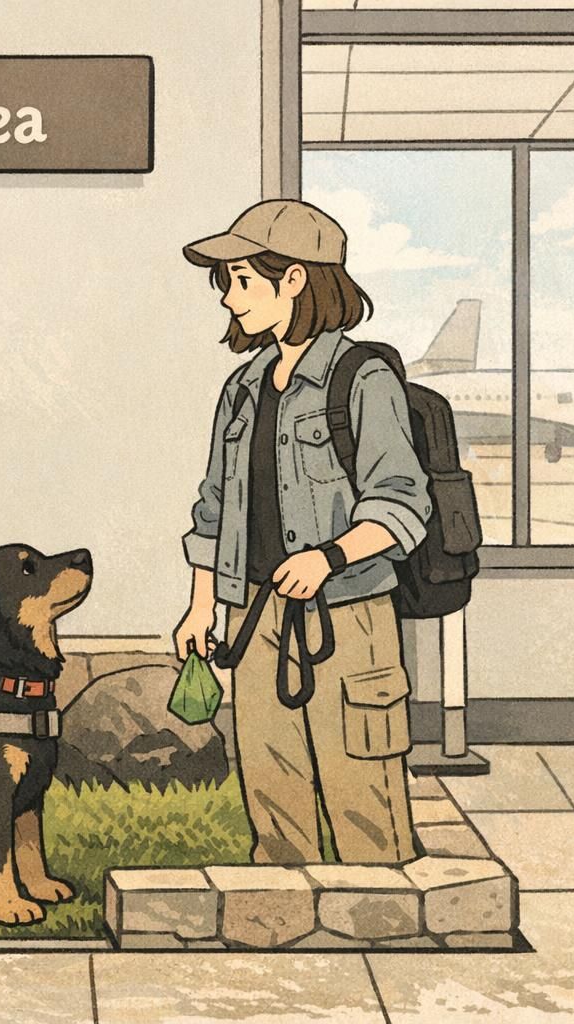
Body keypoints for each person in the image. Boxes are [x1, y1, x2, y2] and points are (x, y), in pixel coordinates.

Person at [173, 199, 432, 865]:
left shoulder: (362, 378)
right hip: (254, 616)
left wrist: (329, 558)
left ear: (294, 279)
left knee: (363, 799)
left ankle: (380, 912)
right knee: (271, 793)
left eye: (241, 280)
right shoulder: (242, 388)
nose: (228, 298)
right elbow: (213, 510)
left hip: (348, 614)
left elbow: (402, 501)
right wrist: (202, 607)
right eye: (225, 283)